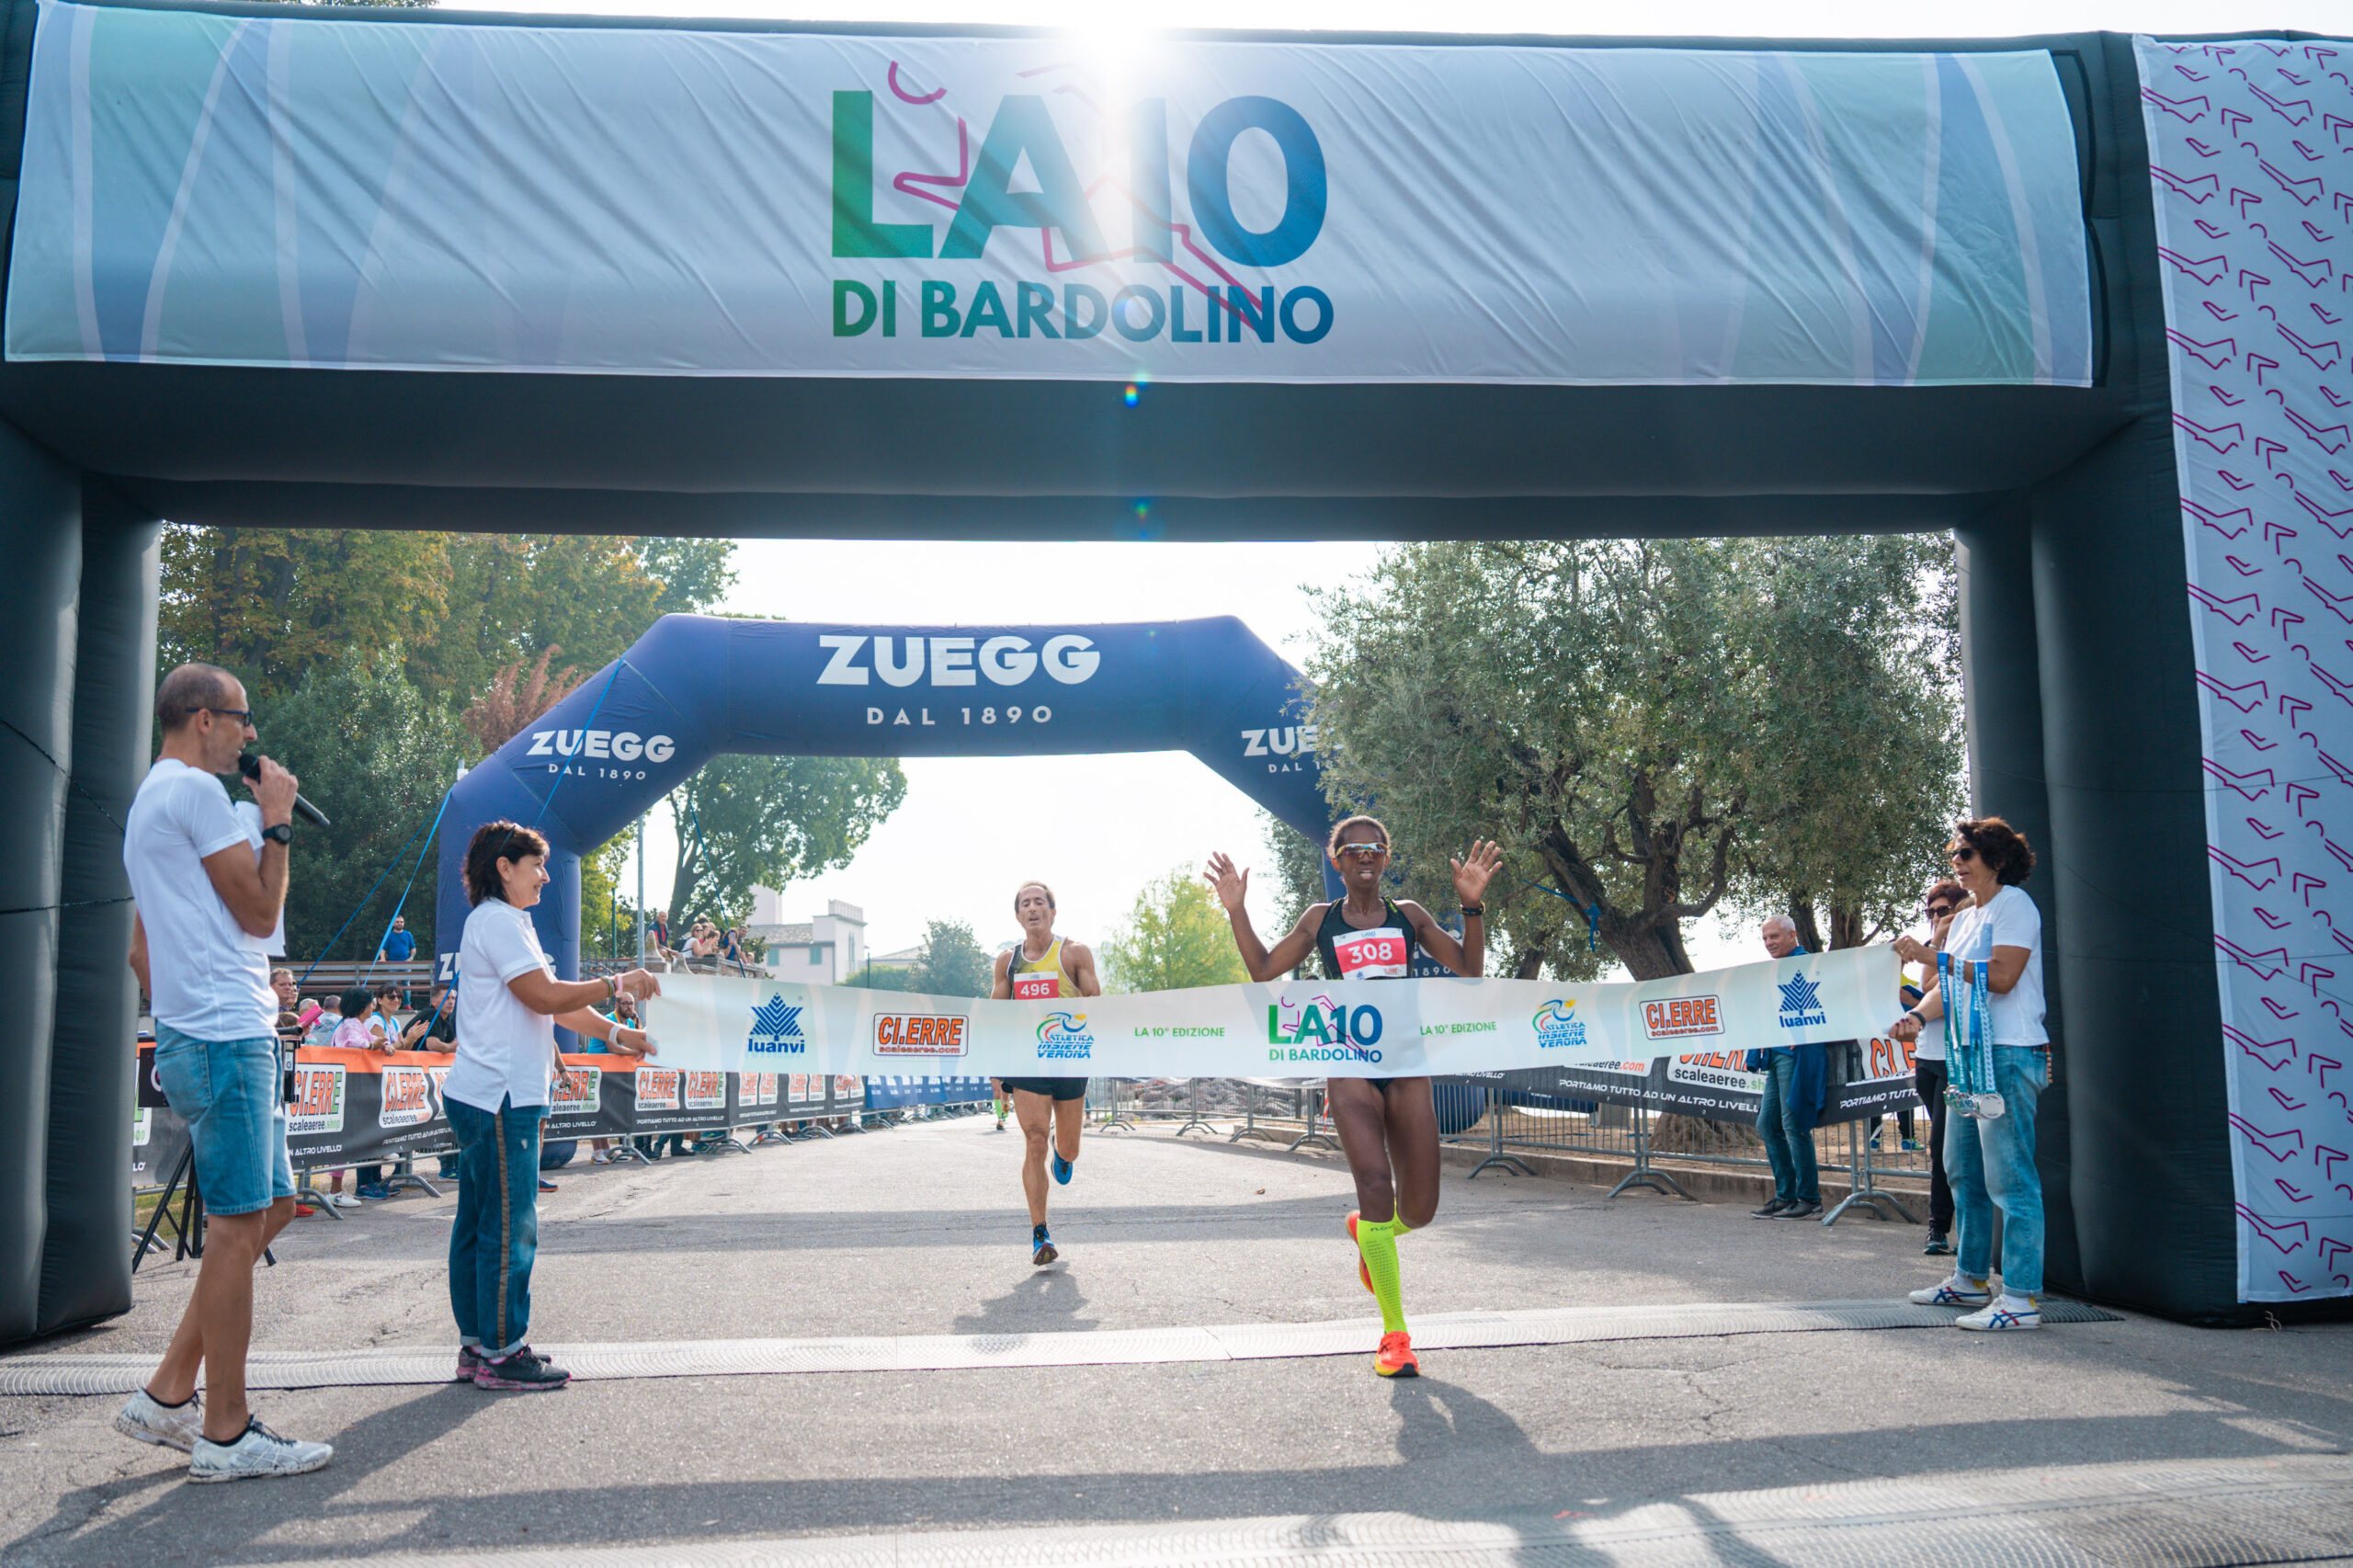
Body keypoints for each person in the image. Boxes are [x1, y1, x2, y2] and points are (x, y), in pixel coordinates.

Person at [114, 662, 333, 1481]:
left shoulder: (149, 800)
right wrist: (277, 823)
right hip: (223, 1036)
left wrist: (182, 1006)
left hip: (198, 1030)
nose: (252, 735)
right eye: (244, 719)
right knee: (241, 1226)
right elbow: (261, 913)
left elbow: (142, 946)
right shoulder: (202, 796)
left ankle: (169, 1393)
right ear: (203, 719)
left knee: (271, 1206)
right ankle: (226, 1431)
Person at [1205, 819, 1502, 1380]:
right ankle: (1395, 1336)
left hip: (1408, 1067)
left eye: (1376, 848)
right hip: (1349, 1066)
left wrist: (1471, 908)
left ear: (1386, 858)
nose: (1365, 855)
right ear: (1336, 860)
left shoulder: (1409, 916)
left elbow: (1468, 971)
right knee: (1373, 1185)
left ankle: (1370, 1232)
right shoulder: (1320, 921)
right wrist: (1236, 910)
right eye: (1354, 849)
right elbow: (1264, 971)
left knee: (1420, 1211)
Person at [447, 820, 662, 1389]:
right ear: (504, 867)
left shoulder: (504, 922)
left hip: (488, 1092)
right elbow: (543, 995)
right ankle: (501, 1352)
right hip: (501, 1096)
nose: (545, 875)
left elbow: (552, 1006)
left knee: (477, 1221)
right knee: (508, 1225)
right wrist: (616, 983)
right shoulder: (496, 921)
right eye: (536, 865)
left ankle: (478, 1346)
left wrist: (616, 1035)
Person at [1892, 818, 2049, 1332]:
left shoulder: (2015, 906)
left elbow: (2002, 977)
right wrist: (1917, 1017)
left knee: (2011, 1177)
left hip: (2006, 1053)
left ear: (1996, 861)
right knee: (1961, 1168)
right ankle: (1969, 1279)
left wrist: (1930, 955)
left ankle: (2021, 1299)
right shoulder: (1962, 919)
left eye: (1966, 854)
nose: (1956, 861)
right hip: (1966, 1057)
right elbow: (1949, 987)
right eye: (1955, 854)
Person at [990, 881, 1104, 1267]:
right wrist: (996, 1071)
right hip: (1028, 1064)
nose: (1033, 908)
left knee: (1067, 1148)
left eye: (1040, 902)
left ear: (1053, 912)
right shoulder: (1007, 962)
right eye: (1026, 904)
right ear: (1018, 916)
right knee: (1034, 1140)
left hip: (1070, 1060)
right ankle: (1040, 1233)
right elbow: (996, 1018)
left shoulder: (1074, 953)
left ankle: (1064, 1152)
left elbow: (1097, 1006)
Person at [1745, 915, 1828, 1221]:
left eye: (1774, 937)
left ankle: (1810, 1199)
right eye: (1765, 938)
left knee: (1794, 1125)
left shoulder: (1806, 963)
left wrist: (1805, 1034)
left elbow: (1821, 1005)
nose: (1769, 943)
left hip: (1796, 1057)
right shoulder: (1775, 968)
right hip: (1775, 1055)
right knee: (1768, 1125)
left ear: (1792, 935)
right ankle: (1786, 1195)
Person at [1903, 880, 1966, 1256]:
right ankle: (1945, 1226)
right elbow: (1928, 985)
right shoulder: (1932, 948)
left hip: (1956, 1059)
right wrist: (1936, 942)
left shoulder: (1965, 946)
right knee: (1941, 1148)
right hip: (1927, 1057)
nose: (1936, 917)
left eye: (1943, 910)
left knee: (1943, 1145)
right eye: (1931, 912)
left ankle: (1938, 1228)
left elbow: (1932, 982)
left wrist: (1941, 943)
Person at [400, 983, 458, 1051]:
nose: (451, 1002)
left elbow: (451, 1041)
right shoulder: (431, 1014)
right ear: (433, 1001)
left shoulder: (446, 1017)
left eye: (453, 998)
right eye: (446, 998)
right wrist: (453, 1048)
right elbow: (432, 1045)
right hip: (407, 1059)